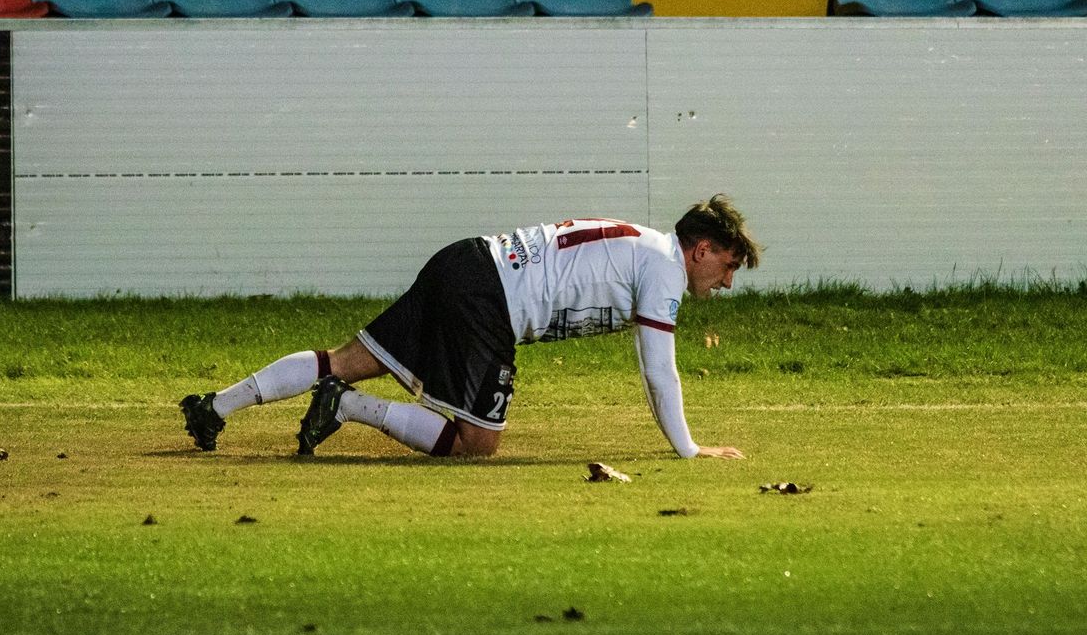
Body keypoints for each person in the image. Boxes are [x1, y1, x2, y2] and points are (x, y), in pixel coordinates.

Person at [179, 195, 760, 461]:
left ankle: (215, 407)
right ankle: (348, 409)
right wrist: (688, 449)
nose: (728, 281)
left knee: (346, 358)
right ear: (703, 249)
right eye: (729, 265)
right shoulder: (664, 268)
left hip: (468, 260)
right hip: (490, 300)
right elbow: (659, 371)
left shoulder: (646, 246)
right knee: (476, 443)